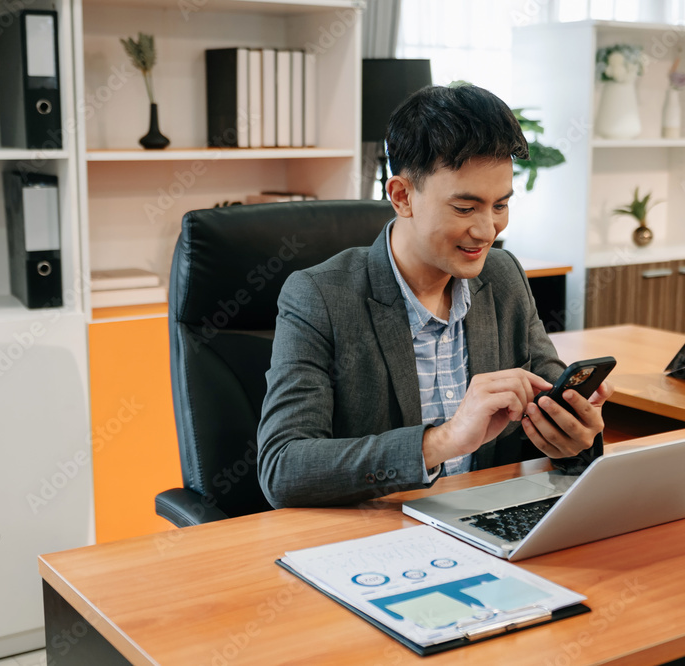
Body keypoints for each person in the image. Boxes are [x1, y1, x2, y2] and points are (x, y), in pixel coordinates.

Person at [257, 83, 612, 507]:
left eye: (500, 205)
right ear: (402, 196)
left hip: (486, 524)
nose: (487, 231)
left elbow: (558, 413)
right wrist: (443, 440)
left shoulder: (504, 277)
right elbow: (284, 468)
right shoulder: (319, 296)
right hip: (375, 540)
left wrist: (575, 436)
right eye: (465, 208)